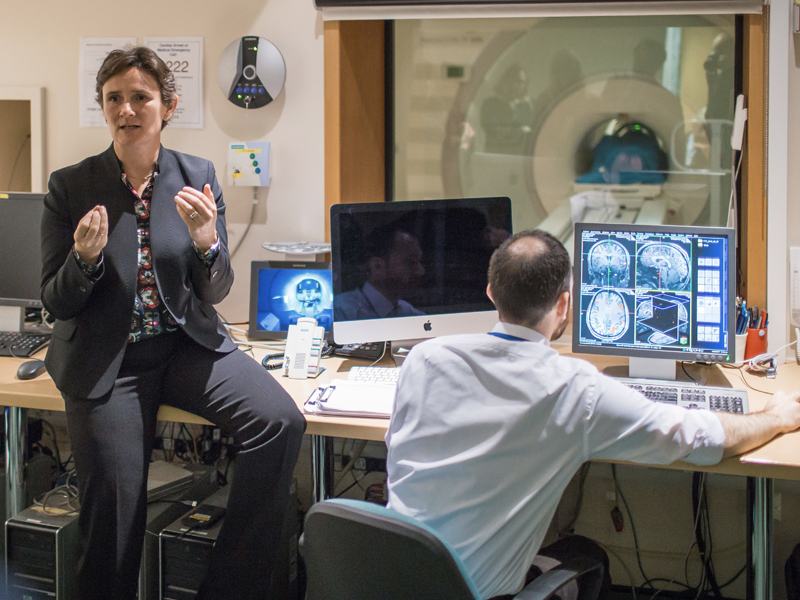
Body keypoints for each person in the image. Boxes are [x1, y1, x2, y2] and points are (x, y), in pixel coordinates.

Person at [385, 229, 800, 600]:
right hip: (474, 592)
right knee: (587, 554)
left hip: (385, 578)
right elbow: (701, 438)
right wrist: (773, 417)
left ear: (491, 293)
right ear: (565, 304)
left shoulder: (424, 359)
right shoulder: (574, 388)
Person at [40, 47, 305, 600]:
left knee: (279, 422)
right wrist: (83, 261)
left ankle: (231, 587)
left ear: (168, 105)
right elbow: (56, 303)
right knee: (115, 509)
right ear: (103, 108)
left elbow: (216, 290)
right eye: (114, 98)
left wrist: (208, 242)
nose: (127, 109)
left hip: (185, 345)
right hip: (108, 360)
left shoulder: (197, 175)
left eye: (141, 97)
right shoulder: (71, 185)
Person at [334, 224, 426, 321]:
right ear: (377, 266)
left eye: (419, 262)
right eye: (411, 262)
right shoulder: (339, 311)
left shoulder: (408, 311)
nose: (421, 271)